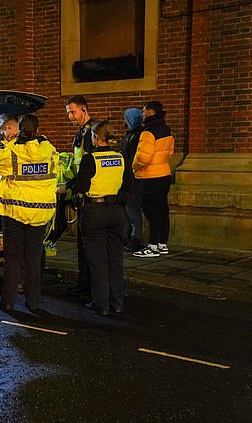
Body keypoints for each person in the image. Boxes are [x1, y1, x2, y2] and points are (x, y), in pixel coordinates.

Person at [0, 113, 58, 313]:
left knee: (13, 257)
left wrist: (5, 143)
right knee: (34, 259)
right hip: (40, 213)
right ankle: (34, 303)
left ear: (18, 130)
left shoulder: (12, 151)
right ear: (37, 129)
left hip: (15, 212)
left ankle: (8, 301)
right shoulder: (49, 150)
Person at [71, 120, 131, 315]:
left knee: (97, 261)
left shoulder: (91, 159)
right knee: (115, 259)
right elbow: (128, 185)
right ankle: (117, 302)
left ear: (96, 138)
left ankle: (101, 304)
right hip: (116, 212)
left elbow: (81, 186)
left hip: (95, 211)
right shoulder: (121, 157)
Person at [58, 95, 96, 302]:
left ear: (84, 109)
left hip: (87, 194)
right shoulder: (81, 133)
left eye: (72, 112)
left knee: (87, 246)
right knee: (82, 246)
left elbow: (87, 168)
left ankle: (88, 287)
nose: (70, 117)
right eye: (68, 113)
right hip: (79, 192)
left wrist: (70, 187)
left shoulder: (91, 133)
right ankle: (83, 284)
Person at [132, 101, 175, 258]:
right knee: (163, 210)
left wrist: (134, 166)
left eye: (144, 112)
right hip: (164, 173)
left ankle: (153, 246)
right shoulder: (166, 129)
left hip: (150, 176)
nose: (142, 115)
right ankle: (162, 244)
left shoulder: (148, 132)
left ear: (150, 113)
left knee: (151, 212)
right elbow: (170, 152)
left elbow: (143, 157)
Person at [121, 108, 144, 252]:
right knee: (127, 210)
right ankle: (128, 236)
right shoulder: (129, 135)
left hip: (133, 178)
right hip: (126, 176)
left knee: (133, 209)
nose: (124, 121)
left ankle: (136, 238)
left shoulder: (137, 136)